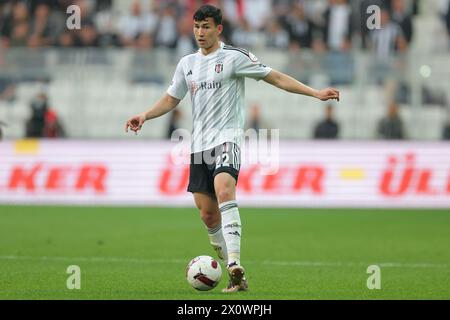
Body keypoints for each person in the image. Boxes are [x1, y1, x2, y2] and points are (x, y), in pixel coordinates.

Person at [125, 4, 339, 293]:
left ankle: (235, 261)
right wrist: (145, 115)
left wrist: (314, 93)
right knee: (208, 215)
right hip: (198, 146)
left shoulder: (234, 58)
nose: (200, 32)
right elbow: (171, 98)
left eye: (206, 27)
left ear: (218, 29)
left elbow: (275, 77)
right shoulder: (186, 63)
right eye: (197, 27)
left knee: (225, 190)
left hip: (227, 140)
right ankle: (236, 276)